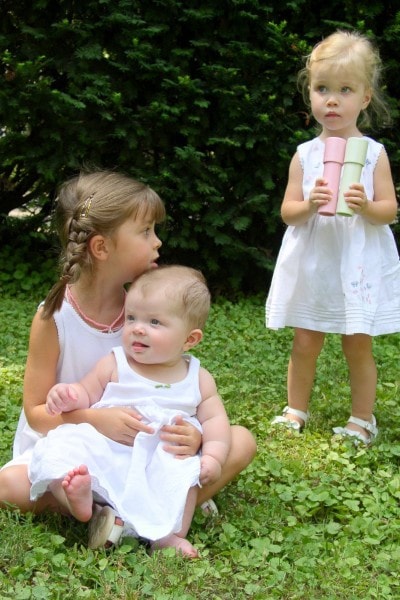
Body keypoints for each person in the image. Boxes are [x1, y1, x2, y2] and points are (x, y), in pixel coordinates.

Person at [0, 170, 257, 543]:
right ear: (102, 248)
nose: (158, 242)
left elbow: (178, 394)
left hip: (145, 448)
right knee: (7, 486)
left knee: (241, 441)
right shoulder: (54, 318)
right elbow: (38, 414)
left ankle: (116, 516)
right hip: (78, 446)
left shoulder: (150, 312)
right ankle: (148, 509)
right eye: (146, 232)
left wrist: (195, 437)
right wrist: (95, 419)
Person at [29, 265, 231, 558]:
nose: (137, 327)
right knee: (63, 447)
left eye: (154, 322)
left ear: (190, 339)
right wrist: (67, 395)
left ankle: (168, 536)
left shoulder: (197, 377)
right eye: (132, 317)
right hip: (109, 448)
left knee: (183, 476)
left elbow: (215, 420)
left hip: (160, 457)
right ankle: (78, 500)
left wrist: (212, 456)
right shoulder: (115, 362)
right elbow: (86, 392)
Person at [265, 30, 400, 444]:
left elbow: (389, 211)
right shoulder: (305, 154)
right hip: (316, 261)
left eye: (345, 90)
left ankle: (363, 418)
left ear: (364, 97)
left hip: (355, 262)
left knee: (356, 343)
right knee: (305, 339)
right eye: (322, 89)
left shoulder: (373, 153)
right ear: (310, 94)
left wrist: (365, 205)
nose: (332, 100)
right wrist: (308, 204)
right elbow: (288, 212)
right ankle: (295, 409)